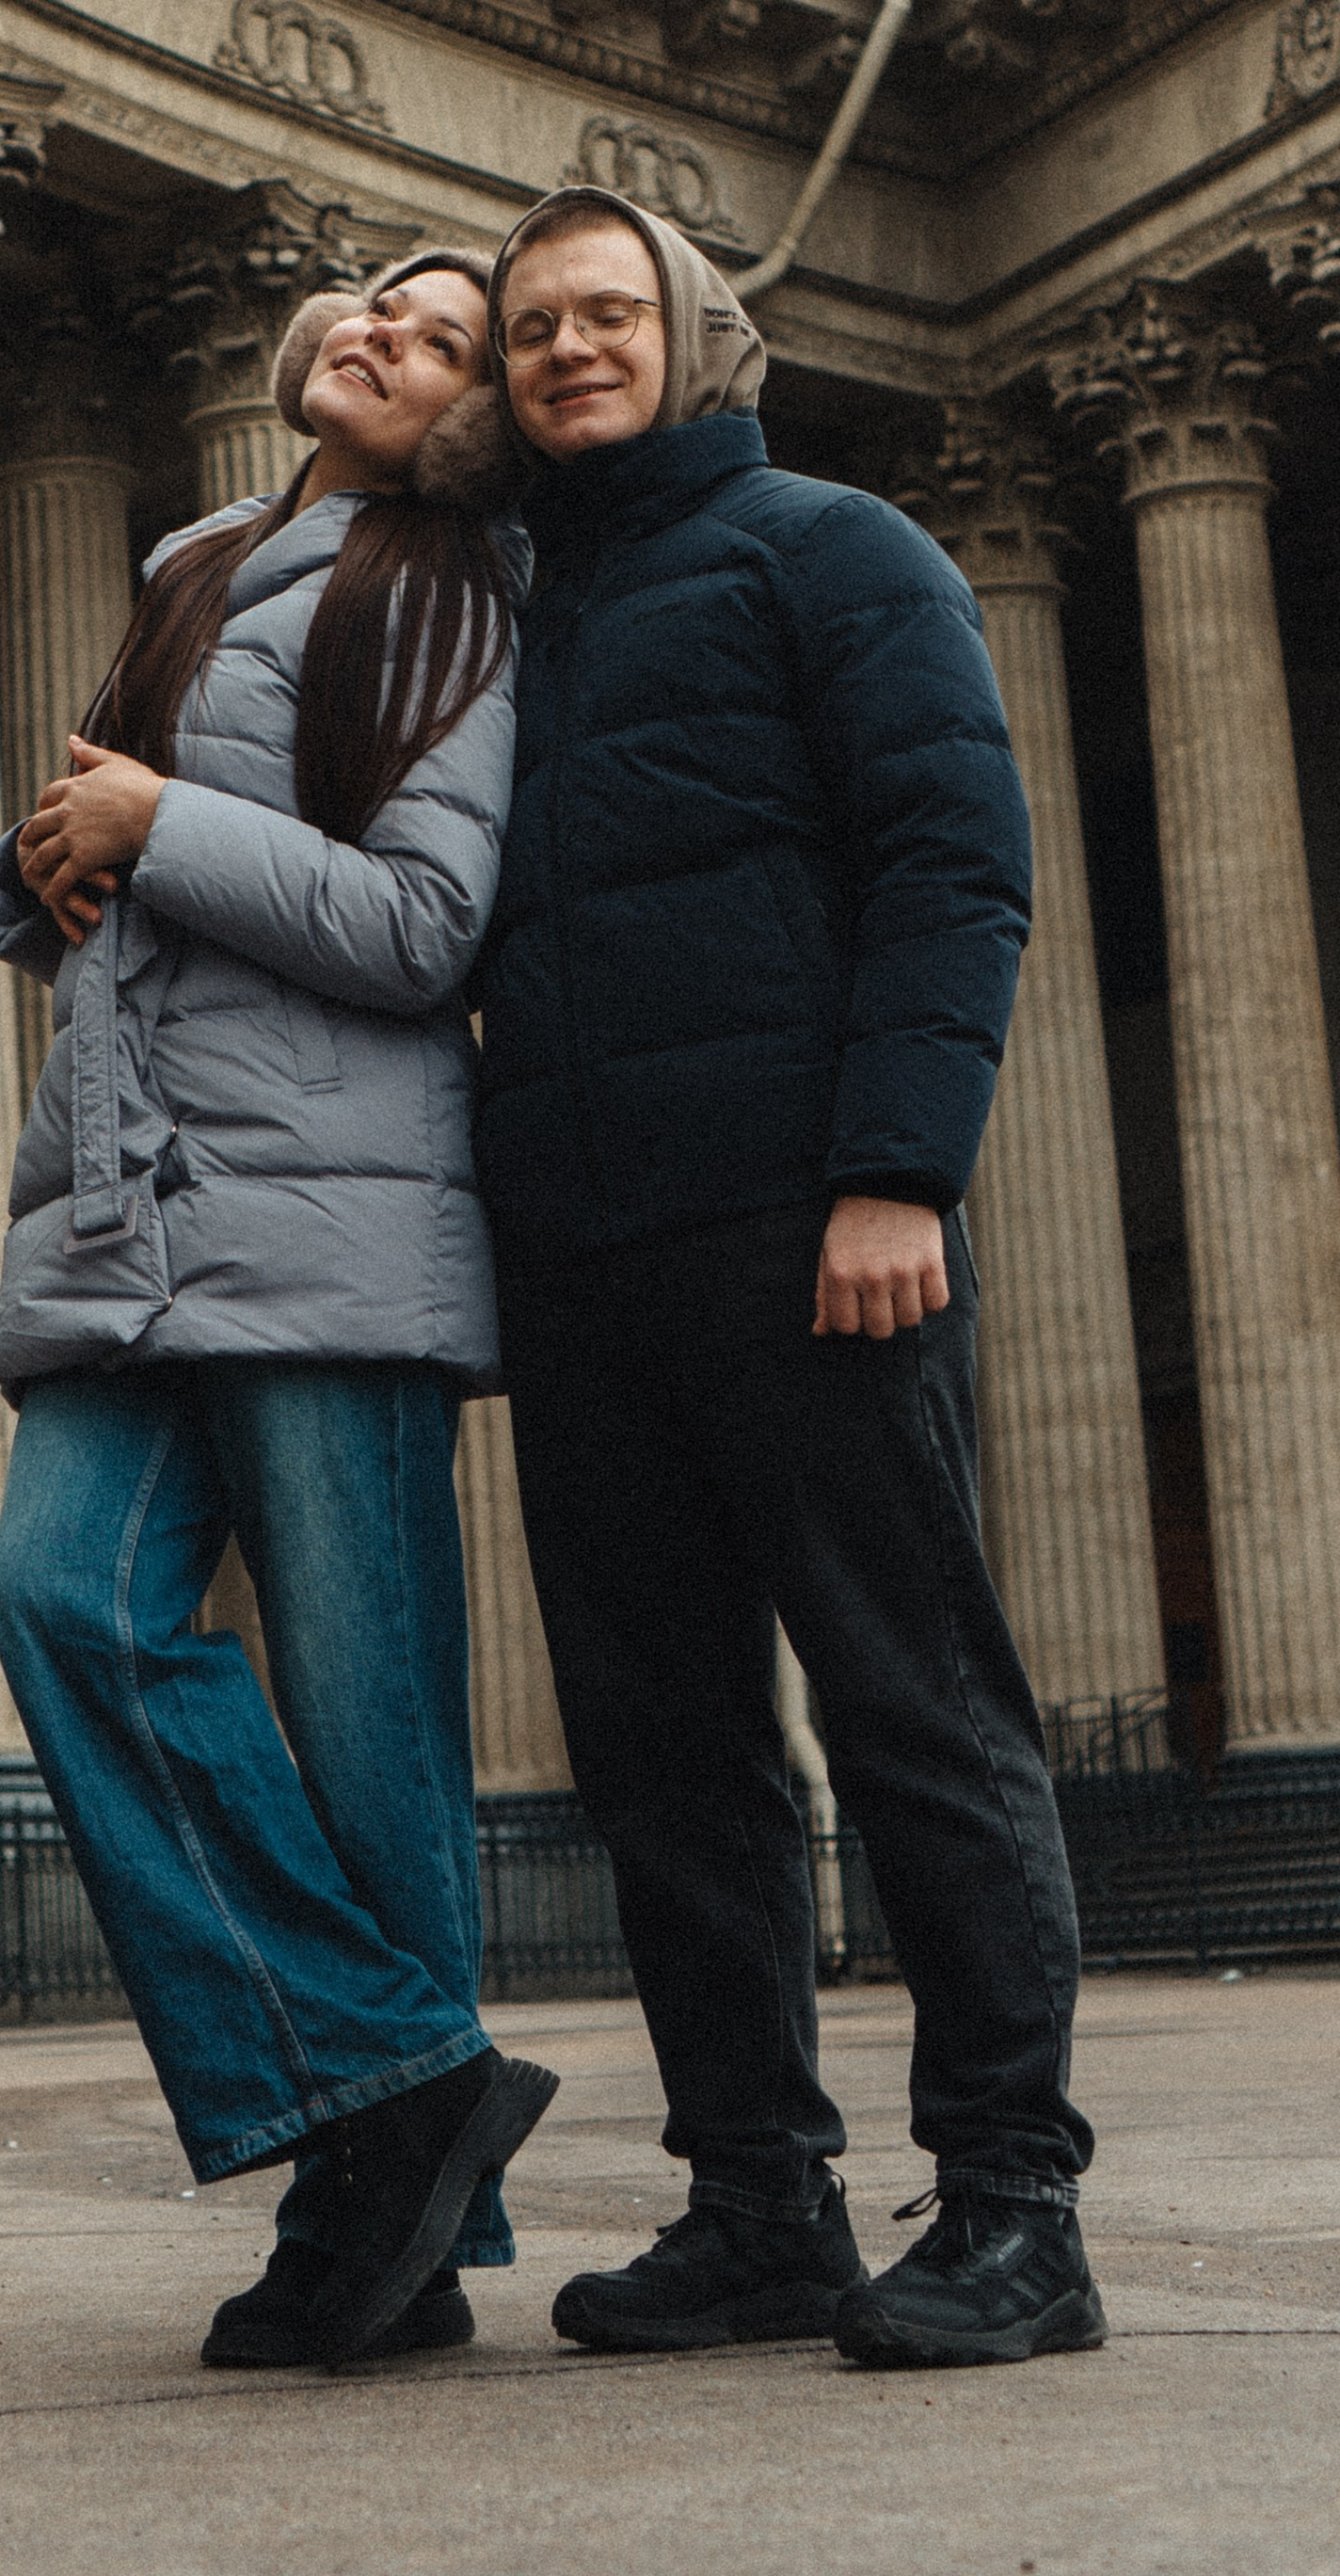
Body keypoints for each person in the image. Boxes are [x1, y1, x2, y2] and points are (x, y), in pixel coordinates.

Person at [473, 184, 1105, 2376]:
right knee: (661, 1753)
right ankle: (755, 2200)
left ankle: (1015, 2204)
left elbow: (954, 860)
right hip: (578, 1255)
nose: (564, 347)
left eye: (604, 311)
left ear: (696, 335)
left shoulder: (831, 546)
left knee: (913, 1702)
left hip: (802, 1228)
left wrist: (892, 1177)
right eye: (528, 322)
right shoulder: (509, 614)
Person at [0, 251, 556, 2373]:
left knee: (368, 1736)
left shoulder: (461, 593)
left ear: (474, 419)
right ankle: (401, 2082)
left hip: (333, 1226)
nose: (377, 326)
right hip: (132, 1206)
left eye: (436, 332)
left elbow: (418, 929)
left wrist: (156, 824)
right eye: (372, 298)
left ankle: (386, 2232)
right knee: (61, 1601)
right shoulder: (210, 561)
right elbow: (122, 871)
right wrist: (39, 863)